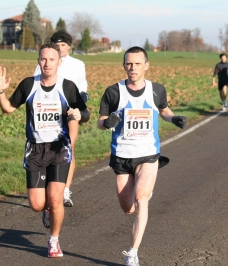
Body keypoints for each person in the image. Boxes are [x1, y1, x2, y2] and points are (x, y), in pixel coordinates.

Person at [0, 43, 90, 258]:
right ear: (38, 60)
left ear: (59, 62)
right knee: (37, 205)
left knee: (56, 199)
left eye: (52, 59)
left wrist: (77, 115)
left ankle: (54, 240)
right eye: (43, 59)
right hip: (35, 150)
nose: (47, 63)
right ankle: (46, 211)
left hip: (59, 148)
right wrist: (0, 91)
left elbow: (85, 113)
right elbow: (7, 109)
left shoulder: (68, 86)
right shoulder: (29, 85)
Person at [97, 46, 186, 266]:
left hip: (148, 154)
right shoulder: (113, 92)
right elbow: (101, 121)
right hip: (121, 155)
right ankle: (140, 197)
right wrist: (107, 123)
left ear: (146, 65)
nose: (132, 68)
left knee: (141, 198)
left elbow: (164, 110)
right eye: (129, 63)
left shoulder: (156, 90)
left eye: (137, 63)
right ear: (123, 65)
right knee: (128, 207)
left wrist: (174, 119)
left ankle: (133, 253)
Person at [34, 30, 88, 207]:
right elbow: (35, 87)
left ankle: (65, 190)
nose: (60, 48)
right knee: (47, 148)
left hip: (70, 112)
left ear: (69, 47)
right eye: (57, 45)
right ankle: (50, 185)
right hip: (48, 112)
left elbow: (82, 89)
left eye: (63, 45)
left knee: (68, 148)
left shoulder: (78, 64)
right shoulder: (45, 62)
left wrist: (78, 106)